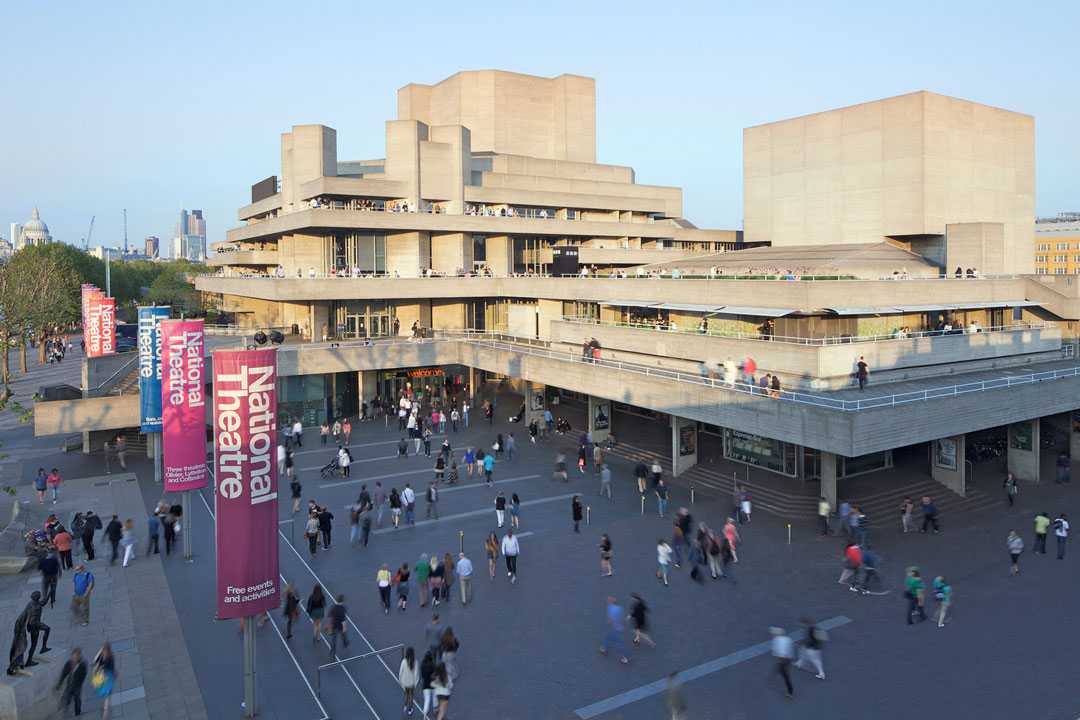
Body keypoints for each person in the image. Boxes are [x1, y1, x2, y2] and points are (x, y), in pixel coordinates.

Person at [55, 647, 87, 716]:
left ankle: (77, 713)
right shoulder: (69, 664)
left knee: (77, 699)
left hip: (77, 686)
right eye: (73, 656)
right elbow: (64, 674)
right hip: (70, 684)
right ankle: (62, 709)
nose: (74, 658)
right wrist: (59, 684)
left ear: (79, 657)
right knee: (66, 697)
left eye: (76, 657)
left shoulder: (82, 665)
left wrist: (79, 684)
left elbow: (83, 675)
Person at [599, 596, 630, 664]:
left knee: (617, 642)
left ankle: (623, 658)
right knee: (609, 637)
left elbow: (610, 620)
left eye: (608, 600)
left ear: (610, 602)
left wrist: (609, 622)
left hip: (614, 628)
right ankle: (603, 648)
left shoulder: (610, 608)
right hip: (619, 628)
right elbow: (622, 618)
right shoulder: (620, 608)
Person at [92, 642, 116, 718]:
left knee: (107, 695)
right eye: (103, 650)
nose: (104, 651)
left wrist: (100, 668)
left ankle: (105, 713)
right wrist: (99, 653)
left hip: (108, 677)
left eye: (105, 650)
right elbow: (94, 661)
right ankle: (104, 709)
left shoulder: (110, 658)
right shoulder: (101, 656)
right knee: (102, 693)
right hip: (101, 677)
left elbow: (108, 668)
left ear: (108, 650)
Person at [770, 627, 795, 698]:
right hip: (788, 659)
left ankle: (790, 692)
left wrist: (779, 660)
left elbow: (777, 653)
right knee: (783, 672)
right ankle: (790, 690)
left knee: (785, 675)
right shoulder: (788, 639)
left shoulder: (776, 641)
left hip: (783, 660)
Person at [399, 647, 419, 716]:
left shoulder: (404, 661)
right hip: (411, 684)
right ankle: (410, 709)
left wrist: (401, 682)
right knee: (411, 696)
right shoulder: (415, 662)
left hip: (405, 683)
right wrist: (415, 684)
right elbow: (416, 674)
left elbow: (400, 673)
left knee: (406, 695)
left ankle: (405, 706)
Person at [419, 650, 436, 719]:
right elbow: (435, 675)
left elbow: (422, 676)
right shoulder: (433, 665)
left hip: (425, 685)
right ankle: (436, 711)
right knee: (435, 698)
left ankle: (424, 716)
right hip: (433, 685)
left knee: (427, 700)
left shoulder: (422, 665)